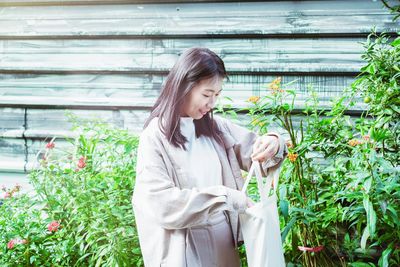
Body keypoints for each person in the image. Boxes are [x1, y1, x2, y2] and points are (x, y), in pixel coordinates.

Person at [132, 47, 287, 267]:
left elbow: (258, 154)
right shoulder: (155, 136)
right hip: (182, 252)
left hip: (222, 246)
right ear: (183, 87)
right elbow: (162, 204)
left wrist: (273, 142)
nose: (212, 103)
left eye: (217, 95)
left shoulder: (215, 128)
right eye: (206, 94)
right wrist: (224, 197)